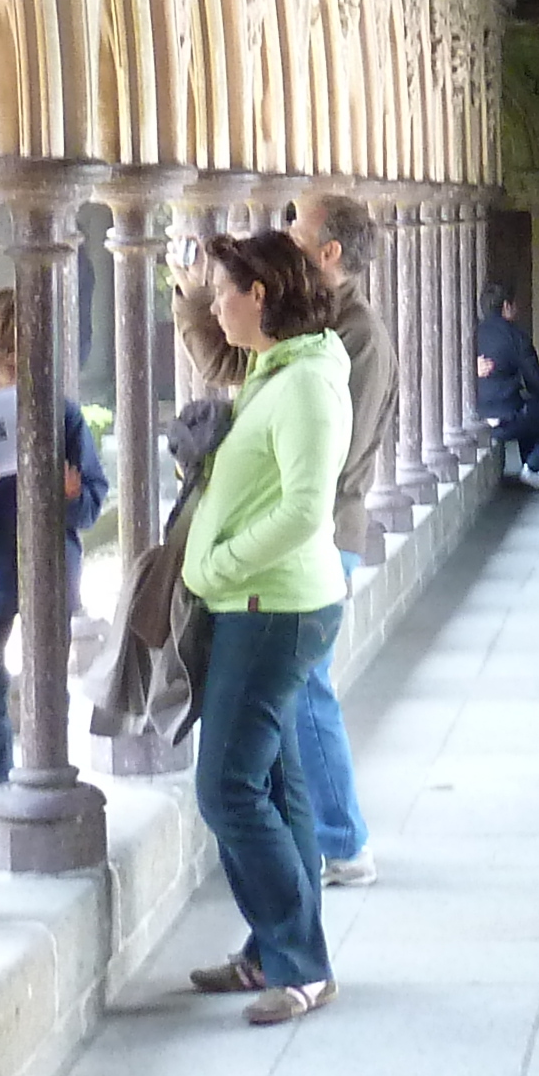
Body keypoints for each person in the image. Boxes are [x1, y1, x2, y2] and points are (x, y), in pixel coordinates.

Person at [177, 230, 353, 1025]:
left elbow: (304, 511)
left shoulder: (307, 383)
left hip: (271, 607)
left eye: (225, 291)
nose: (216, 304)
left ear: (263, 295)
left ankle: (301, 963)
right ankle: (270, 955)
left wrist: (215, 569)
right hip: (261, 602)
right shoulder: (276, 372)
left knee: (226, 789)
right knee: (279, 784)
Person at [287, 190, 396, 889]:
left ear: (329, 251)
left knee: (303, 687)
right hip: (315, 532)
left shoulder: (358, 335)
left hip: (326, 533)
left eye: (296, 225)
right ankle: (323, 834)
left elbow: (337, 453)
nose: (284, 230)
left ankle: (344, 842)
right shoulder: (319, 318)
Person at [0, 283, 105, 807]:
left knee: (48, 689)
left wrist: (68, 495)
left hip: (46, 570)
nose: (16, 370)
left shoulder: (63, 416)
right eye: (6, 359)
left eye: (26, 358)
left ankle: (48, 779)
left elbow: (91, 501)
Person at [471, 282, 539, 488]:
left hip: (477, 415)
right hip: (505, 418)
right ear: (506, 306)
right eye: (514, 305)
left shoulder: (472, 334)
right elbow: (536, 380)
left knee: (531, 408)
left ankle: (529, 464)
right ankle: (535, 468)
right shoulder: (515, 336)